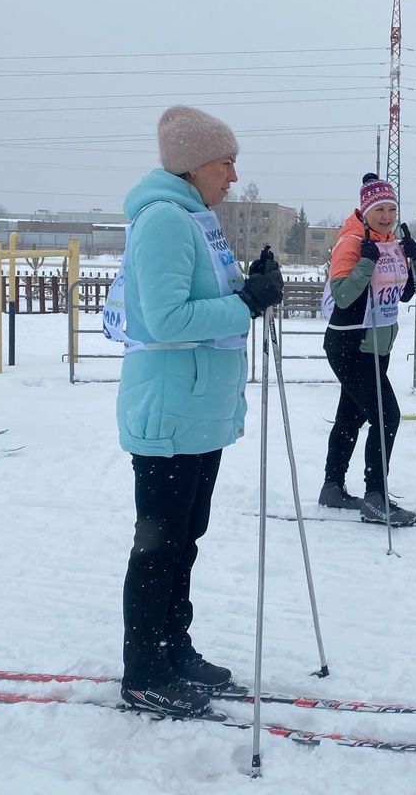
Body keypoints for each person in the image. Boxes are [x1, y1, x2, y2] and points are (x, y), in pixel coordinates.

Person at [109, 105, 283, 717]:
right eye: (226, 162)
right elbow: (164, 318)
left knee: (184, 540)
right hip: (167, 414)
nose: (233, 176)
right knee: (158, 545)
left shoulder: (196, 219)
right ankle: (144, 669)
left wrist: (249, 289)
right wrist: (246, 307)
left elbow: (208, 300)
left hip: (198, 413)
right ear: (193, 165)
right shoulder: (162, 221)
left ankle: (173, 647)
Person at [317, 173, 416, 526]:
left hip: (377, 346)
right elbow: (344, 297)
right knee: (386, 415)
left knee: (352, 416)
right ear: (365, 210)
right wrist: (365, 263)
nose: (386, 215)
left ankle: (332, 487)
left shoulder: (390, 242)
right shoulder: (351, 242)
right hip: (350, 344)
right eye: (379, 208)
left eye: (391, 208)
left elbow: (405, 293)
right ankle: (376, 497)